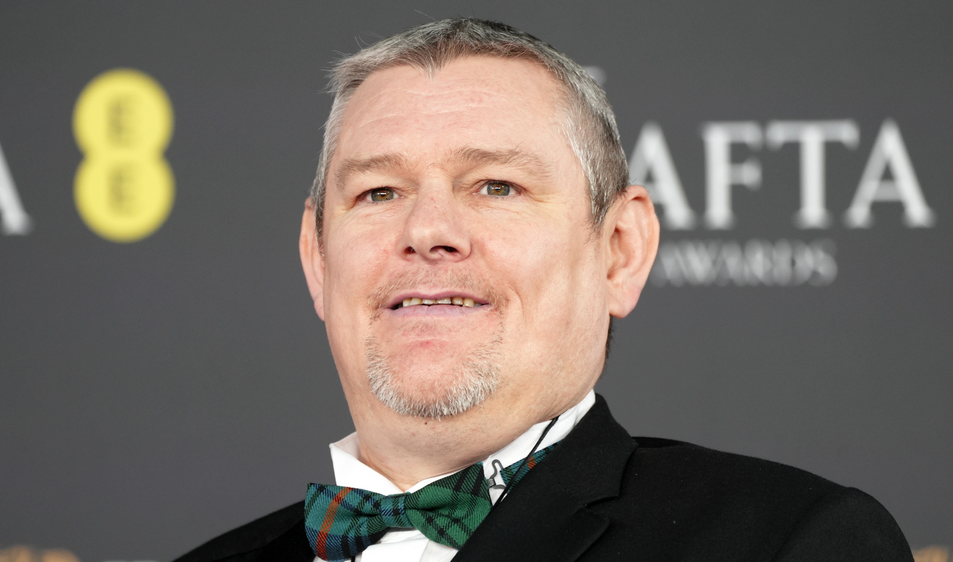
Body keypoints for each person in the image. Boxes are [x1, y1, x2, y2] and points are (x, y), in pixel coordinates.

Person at [175, 18, 912, 562]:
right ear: (317, 260)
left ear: (619, 251)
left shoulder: (789, 542)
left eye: (495, 185)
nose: (427, 230)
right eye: (378, 192)